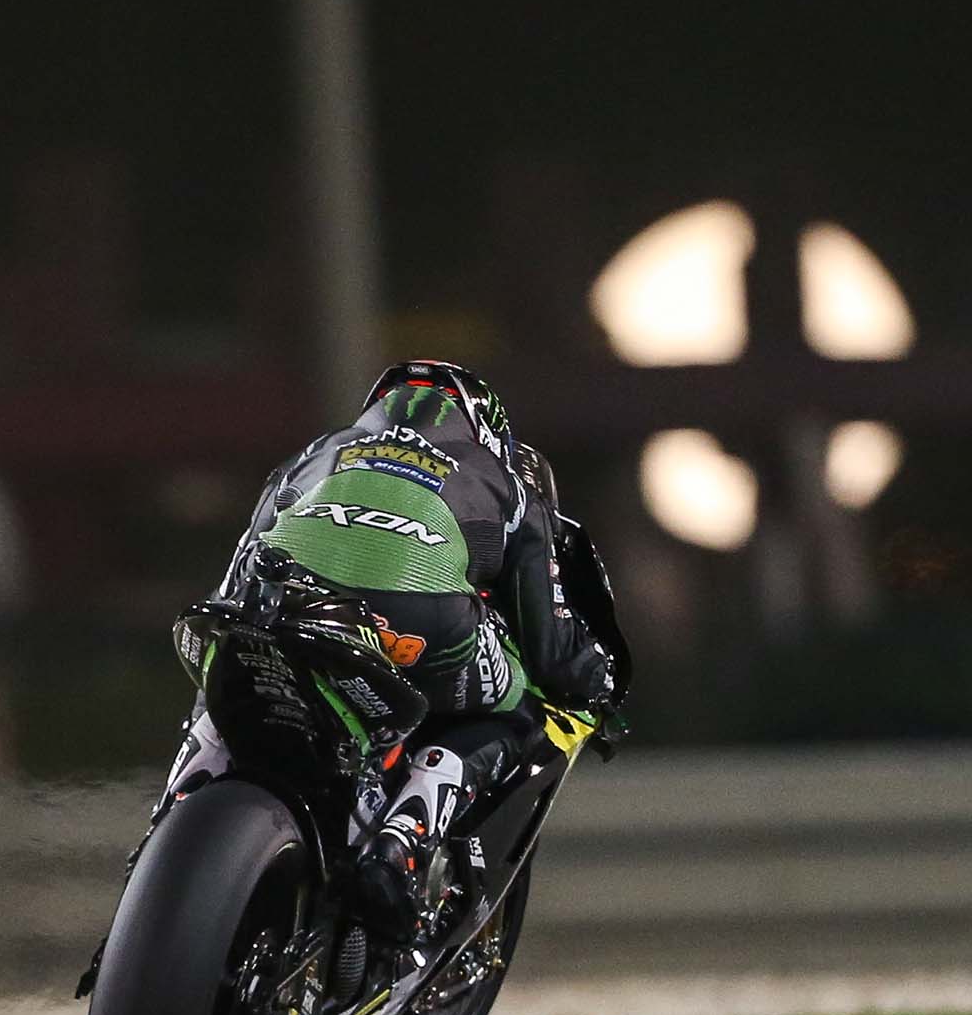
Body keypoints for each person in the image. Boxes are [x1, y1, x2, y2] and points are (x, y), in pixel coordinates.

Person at [164, 360, 627, 940]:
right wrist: (600, 684)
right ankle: (400, 843)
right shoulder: (505, 481)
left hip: (283, 603)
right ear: (486, 429)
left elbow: (237, 576)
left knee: (226, 677)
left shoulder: (316, 452)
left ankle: (171, 813)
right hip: (416, 625)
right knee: (521, 712)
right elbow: (553, 648)